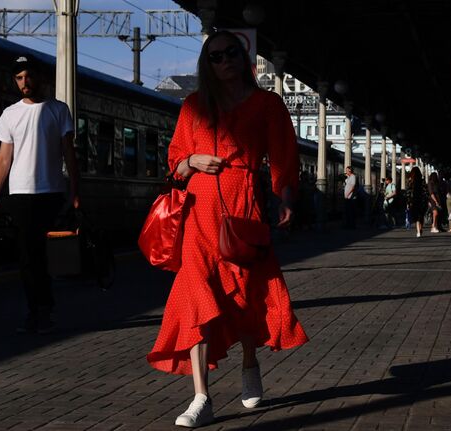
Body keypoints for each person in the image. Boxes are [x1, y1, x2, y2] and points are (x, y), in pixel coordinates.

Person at [146, 31, 308, 428]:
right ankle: (202, 397)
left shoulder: (267, 104)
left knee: (247, 293)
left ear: (244, 56)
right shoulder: (194, 106)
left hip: (244, 209)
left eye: (231, 53)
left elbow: (283, 157)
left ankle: (250, 365)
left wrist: (285, 198)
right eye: (215, 56)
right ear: (207, 63)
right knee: (195, 296)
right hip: (199, 214)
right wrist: (194, 161)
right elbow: (175, 165)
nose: (224, 62)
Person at [0, 55, 80, 334]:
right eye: (19, 78)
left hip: (51, 191)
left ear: (38, 78)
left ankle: (42, 308)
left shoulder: (58, 110)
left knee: (44, 255)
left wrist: (75, 192)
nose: (24, 82)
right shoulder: (9, 114)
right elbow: (4, 158)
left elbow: (69, 153)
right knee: (28, 256)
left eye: (28, 76)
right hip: (20, 193)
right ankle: (38, 310)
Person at [407, 166, 428, 237]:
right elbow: (425, 191)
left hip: (414, 201)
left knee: (416, 216)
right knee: (421, 215)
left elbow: (408, 193)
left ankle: (418, 231)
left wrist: (408, 202)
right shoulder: (422, 181)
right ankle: (420, 229)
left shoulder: (411, 181)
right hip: (422, 200)